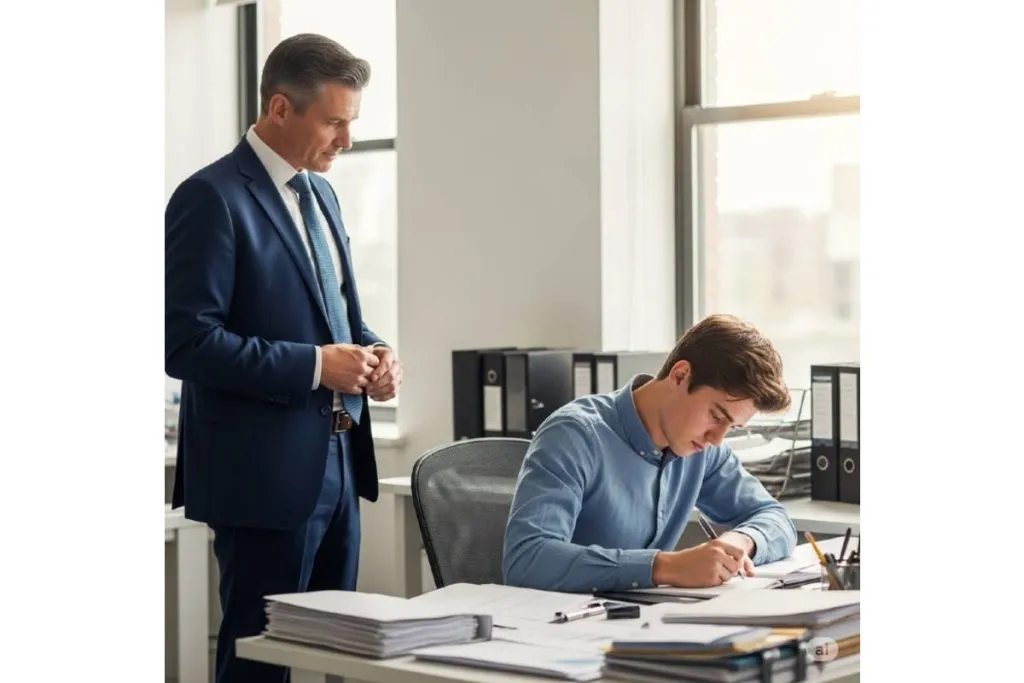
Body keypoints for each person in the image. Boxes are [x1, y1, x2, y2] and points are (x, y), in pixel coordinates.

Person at [165, 33, 402, 683]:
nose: (346, 142)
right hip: (260, 477)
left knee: (342, 656)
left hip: (341, 465)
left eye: (351, 124)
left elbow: (340, 320)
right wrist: (314, 366)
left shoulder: (321, 196)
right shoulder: (209, 198)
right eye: (334, 122)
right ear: (278, 109)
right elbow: (186, 342)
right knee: (259, 662)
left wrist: (376, 355)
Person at [502, 313, 796, 593]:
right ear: (680, 376)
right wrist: (665, 566)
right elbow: (527, 558)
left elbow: (774, 517)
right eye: (717, 416)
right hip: (561, 630)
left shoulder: (703, 450)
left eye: (732, 427)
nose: (717, 439)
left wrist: (740, 541)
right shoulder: (575, 434)